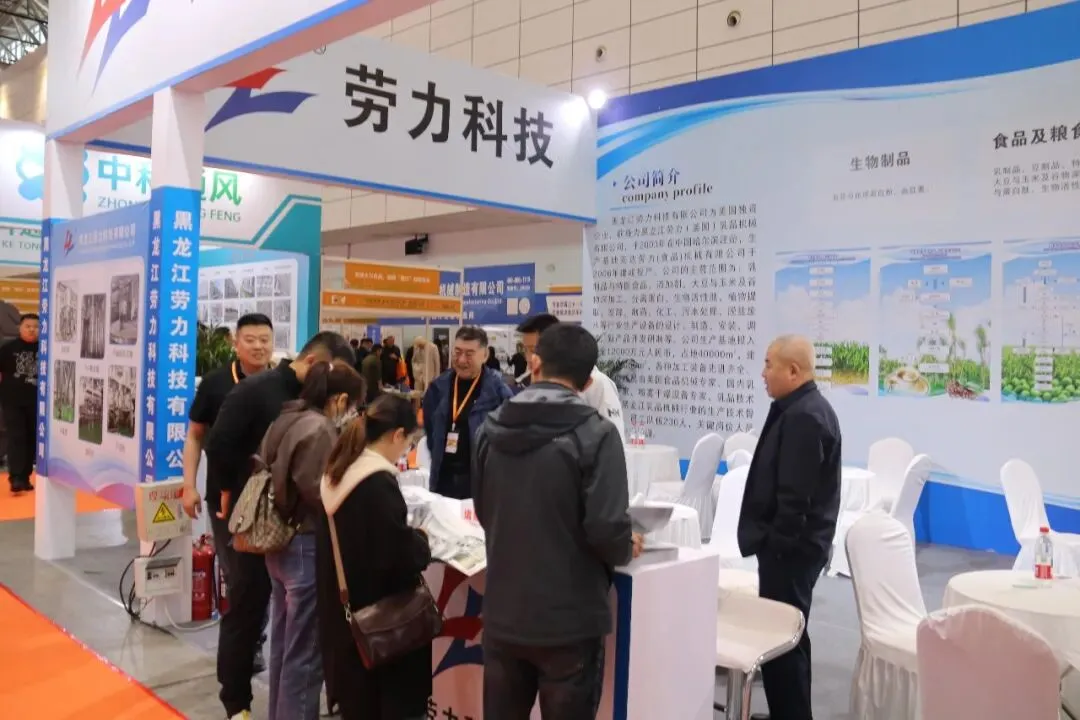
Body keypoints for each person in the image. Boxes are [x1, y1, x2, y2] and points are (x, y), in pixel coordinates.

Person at [473, 322, 642, 719]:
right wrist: (626, 544)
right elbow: (606, 528)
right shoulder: (597, 435)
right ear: (587, 382)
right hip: (570, 622)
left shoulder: (490, 429)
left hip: (503, 613)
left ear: (535, 363)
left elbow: (484, 510)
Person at [206, 330, 355, 720]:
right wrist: (229, 493)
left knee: (284, 640)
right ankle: (238, 701)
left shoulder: (290, 411)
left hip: (278, 535)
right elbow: (220, 446)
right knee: (277, 631)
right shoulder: (302, 416)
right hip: (284, 531)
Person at [738, 334, 841, 720]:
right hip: (792, 549)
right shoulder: (800, 409)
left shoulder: (805, 417)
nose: (763, 373)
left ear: (793, 371)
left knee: (783, 638)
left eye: (769, 364)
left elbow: (795, 497)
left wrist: (776, 545)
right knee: (789, 636)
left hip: (791, 551)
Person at [260, 362, 365, 720]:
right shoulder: (319, 428)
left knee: (284, 645)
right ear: (340, 399)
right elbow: (319, 492)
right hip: (305, 543)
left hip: (279, 542)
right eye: (352, 406)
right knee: (305, 653)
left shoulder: (286, 417)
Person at [316, 394, 431, 720]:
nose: (406, 450)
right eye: (408, 443)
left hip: (345, 622)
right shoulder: (376, 482)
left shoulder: (340, 469)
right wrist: (421, 542)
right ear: (397, 435)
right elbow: (397, 555)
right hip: (383, 629)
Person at [182, 313, 274, 670]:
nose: (258, 346)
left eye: (264, 339)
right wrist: (188, 486)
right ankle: (242, 647)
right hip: (227, 497)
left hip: (273, 499)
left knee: (267, 577)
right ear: (235, 344)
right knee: (239, 576)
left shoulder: (282, 383)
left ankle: (255, 640)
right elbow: (195, 435)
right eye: (250, 339)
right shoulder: (216, 383)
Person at [421, 326, 513, 499]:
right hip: (442, 480)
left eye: (469, 354)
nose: (462, 360)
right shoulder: (438, 388)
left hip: (481, 485)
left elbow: (508, 442)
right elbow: (430, 431)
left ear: (485, 355)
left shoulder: (498, 394)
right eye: (457, 352)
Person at [516, 314, 627, 444]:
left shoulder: (597, 383)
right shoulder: (533, 381)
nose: (529, 358)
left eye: (533, 350)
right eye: (525, 350)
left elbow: (614, 438)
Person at [0, 314, 38, 492]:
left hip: (36, 402)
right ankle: (15, 477)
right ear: (20, 328)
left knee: (31, 438)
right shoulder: (8, 348)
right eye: (28, 326)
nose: (32, 330)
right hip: (12, 401)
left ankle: (25, 477)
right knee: (16, 437)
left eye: (36, 327)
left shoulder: (46, 349)